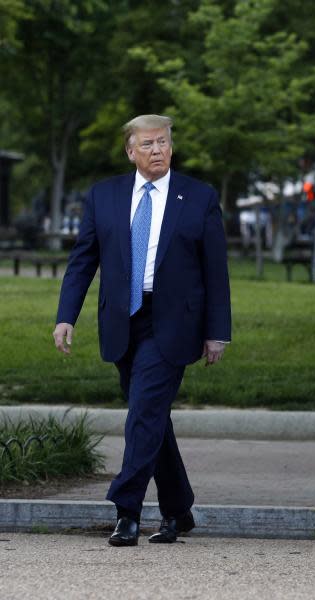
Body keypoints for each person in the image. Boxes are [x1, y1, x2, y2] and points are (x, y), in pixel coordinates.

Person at [53, 114, 231, 547]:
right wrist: (65, 316)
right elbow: (83, 261)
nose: (158, 151)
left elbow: (215, 271)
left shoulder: (199, 197)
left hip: (173, 323)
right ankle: (178, 509)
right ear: (130, 151)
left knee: (143, 414)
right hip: (122, 321)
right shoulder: (104, 196)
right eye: (148, 144)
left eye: (164, 143)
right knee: (152, 418)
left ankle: (126, 509)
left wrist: (217, 331)